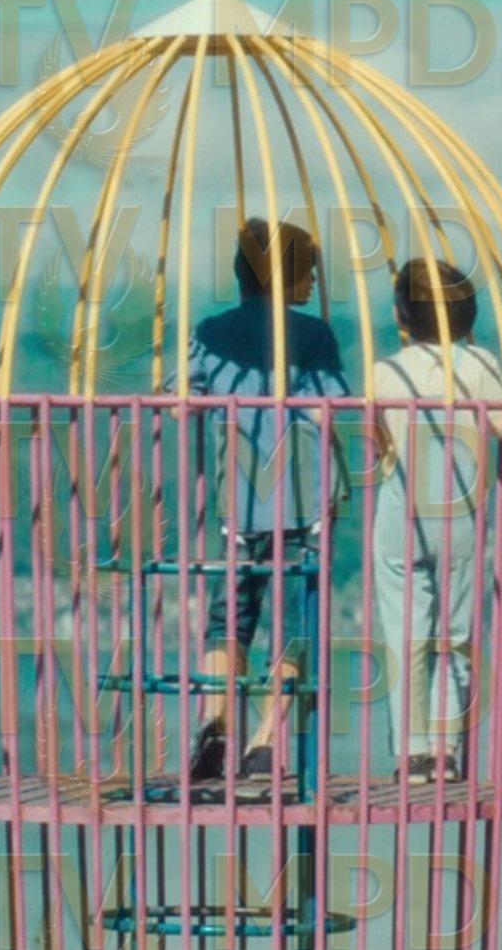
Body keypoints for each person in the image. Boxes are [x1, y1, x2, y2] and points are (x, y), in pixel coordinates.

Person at [186, 219, 349, 783]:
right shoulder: (313, 335)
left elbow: (182, 394)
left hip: (238, 500)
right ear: (285, 274)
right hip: (303, 499)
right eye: (308, 270)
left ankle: (215, 722)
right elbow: (333, 407)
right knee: (296, 618)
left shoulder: (211, 332)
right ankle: (264, 741)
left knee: (229, 614)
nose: (314, 281)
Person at [370, 256, 502, 783]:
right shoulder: (482, 364)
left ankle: (411, 752)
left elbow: (376, 438)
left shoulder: (386, 371)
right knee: (455, 632)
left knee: (404, 632)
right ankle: (446, 750)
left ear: (401, 316)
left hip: (400, 504)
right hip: (461, 509)